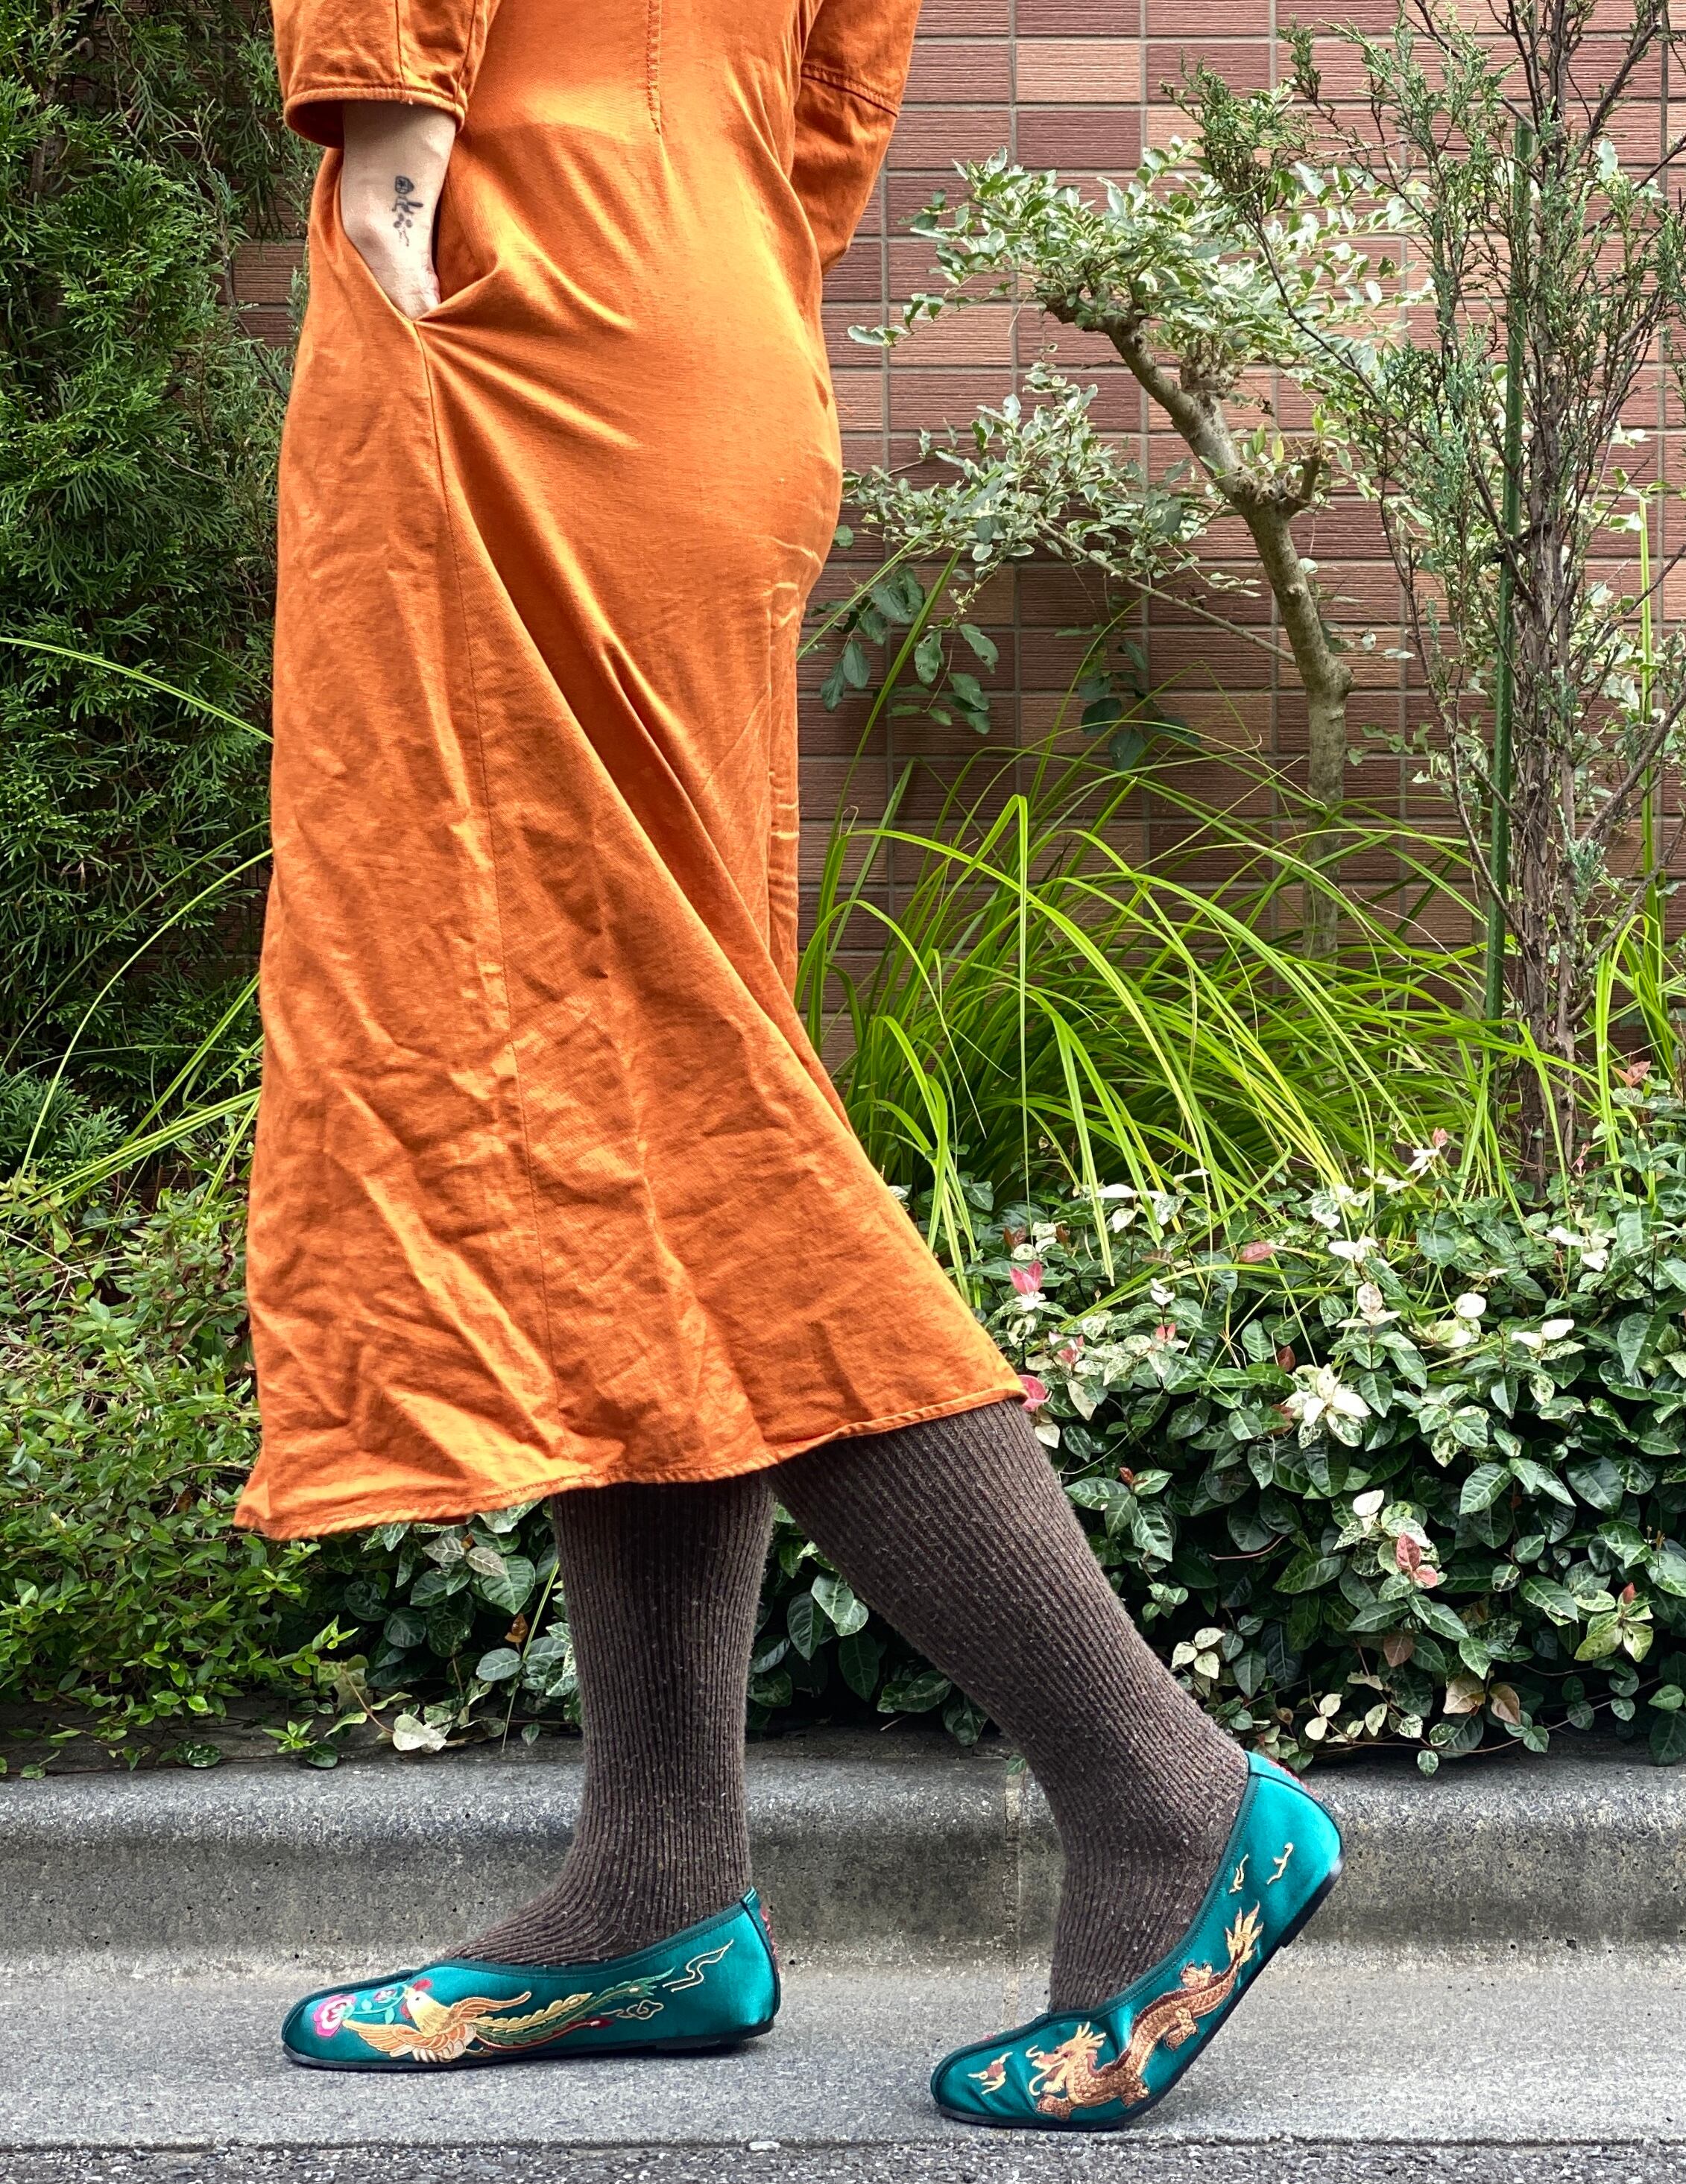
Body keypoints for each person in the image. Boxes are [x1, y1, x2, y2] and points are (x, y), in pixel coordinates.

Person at [242, 0, 1339, 2130]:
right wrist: (718, 225)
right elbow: (841, 90)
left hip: (512, 302)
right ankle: (657, 1882)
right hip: (715, 313)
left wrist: (397, 162)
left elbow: (415, 98)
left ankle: (1159, 1788)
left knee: (650, 1108)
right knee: (640, 1108)